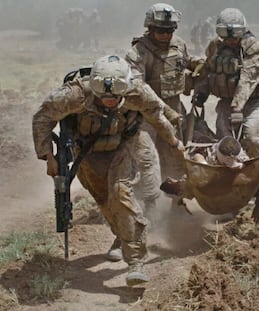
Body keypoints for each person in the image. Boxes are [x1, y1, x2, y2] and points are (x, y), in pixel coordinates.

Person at [32, 55, 184, 286]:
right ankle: (122, 236)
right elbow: (42, 117)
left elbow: (157, 116)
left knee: (121, 194)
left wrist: (174, 143)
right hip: (87, 153)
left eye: (116, 95)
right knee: (105, 201)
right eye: (104, 95)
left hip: (123, 146)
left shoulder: (137, 92)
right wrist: (48, 156)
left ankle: (135, 262)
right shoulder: (74, 95)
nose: (110, 100)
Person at [192, 8, 259, 223]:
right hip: (227, 103)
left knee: (250, 137)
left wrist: (238, 108)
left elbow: (248, 78)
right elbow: (207, 71)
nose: (229, 40)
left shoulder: (253, 48)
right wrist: (201, 92)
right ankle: (232, 196)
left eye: (234, 35)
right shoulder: (215, 47)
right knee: (225, 147)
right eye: (225, 35)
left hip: (255, 102)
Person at [125, 3, 205, 186]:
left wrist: (198, 64)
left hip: (175, 107)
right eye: (161, 31)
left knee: (176, 156)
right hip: (147, 113)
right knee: (146, 156)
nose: (166, 35)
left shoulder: (178, 44)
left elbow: (184, 61)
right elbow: (137, 86)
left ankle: (175, 201)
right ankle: (145, 199)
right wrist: (164, 110)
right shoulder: (138, 52)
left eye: (169, 31)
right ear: (150, 28)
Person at [160, 135, 249, 197]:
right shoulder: (209, 154)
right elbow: (197, 156)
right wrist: (203, 165)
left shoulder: (241, 157)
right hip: (206, 177)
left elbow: (250, 170)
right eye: (227, 164)